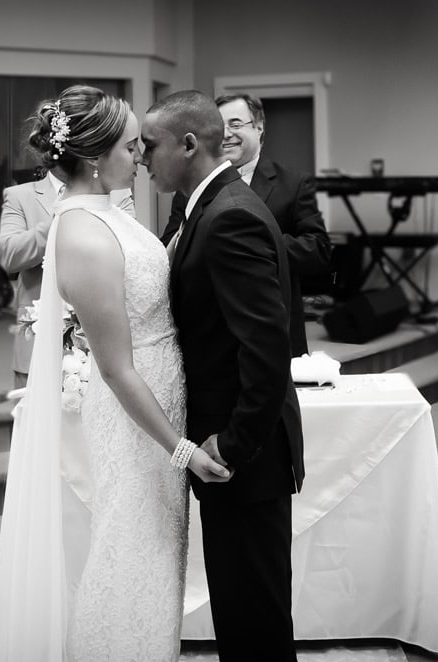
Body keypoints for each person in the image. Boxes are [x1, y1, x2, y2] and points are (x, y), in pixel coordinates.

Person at [0, 85, 230, 662]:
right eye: (132, 146)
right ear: (94, 157)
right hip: (137, 417)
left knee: (157, 552)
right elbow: (114, 368)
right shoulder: (84, 233)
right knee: (133, 551)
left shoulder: (109, 211)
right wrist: (182, 450)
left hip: (161, 393)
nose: (142, 155)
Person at [142, 90, 305, 661]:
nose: (142, 157)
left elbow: (266, 350)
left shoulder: (229, 216)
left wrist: (231, 446)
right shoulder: (207, 205)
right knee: (241, 611)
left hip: (243, 457)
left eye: (150, 145)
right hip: (230, 450)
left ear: (189, 144)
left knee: (254, 618)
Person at [160, 93, 330, 358]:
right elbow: (171, 246)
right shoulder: (191, 185)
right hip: (208, 335)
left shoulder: (293, 183)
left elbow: (318, 250)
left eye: (236, 124)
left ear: (259, 127)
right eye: (220, 126)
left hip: (274, 328)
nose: (227, 134)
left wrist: (253, 246)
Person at [0, 168, 135, 388]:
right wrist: (60, 219)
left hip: (103, 334)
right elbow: (10, 256)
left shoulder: (118, 194)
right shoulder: (19, 195)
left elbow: (129, 251)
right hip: (40, 336)